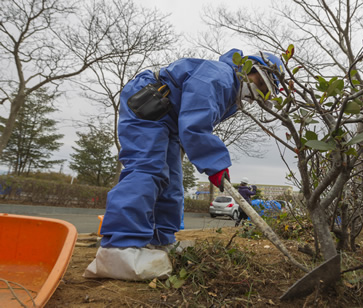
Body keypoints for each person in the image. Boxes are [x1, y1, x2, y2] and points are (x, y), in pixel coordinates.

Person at [83, 49, 284, 281]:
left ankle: (160, 241)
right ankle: (119, 249)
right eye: (261, 84)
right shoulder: (220, 75)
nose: (259, 93)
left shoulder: (231, 95)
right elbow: (196, 122)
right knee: (146, 171)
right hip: (149, 102)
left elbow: (193, 122)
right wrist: (215, 163)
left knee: (171, 182)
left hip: (168, 120)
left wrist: (213, 161)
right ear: (250, 69)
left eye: (266, 91)